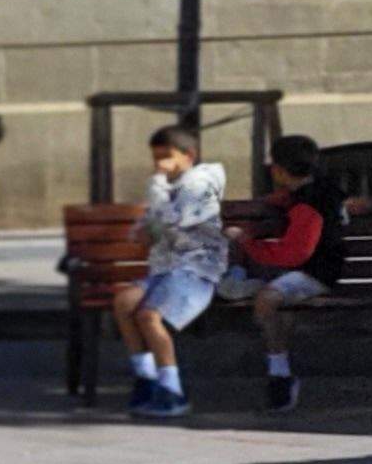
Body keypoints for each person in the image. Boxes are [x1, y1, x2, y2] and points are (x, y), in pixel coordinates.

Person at [111, 123, 227, 419]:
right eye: (155, 157)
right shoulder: (168, 187)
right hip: (166, 269)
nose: (159, 164)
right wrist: (144, 230)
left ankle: (172, 390)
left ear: (189, 155)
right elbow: (155, 227)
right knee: (124, 303)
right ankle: (147, 380)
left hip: (196, 271)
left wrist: (157, 192)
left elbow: (175, 222)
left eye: (166, 156)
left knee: (149, 316)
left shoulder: (198, 187)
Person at [227, 132, 348, 413]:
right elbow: (291, 201)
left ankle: (279, 375)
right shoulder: (315, 192)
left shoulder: (308, 206)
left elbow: (294, 254)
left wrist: (246, 242)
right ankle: (280, 371)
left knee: (268, 300)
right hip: (306, 270)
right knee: (280, 304)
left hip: (315, 274)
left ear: (279, 170)